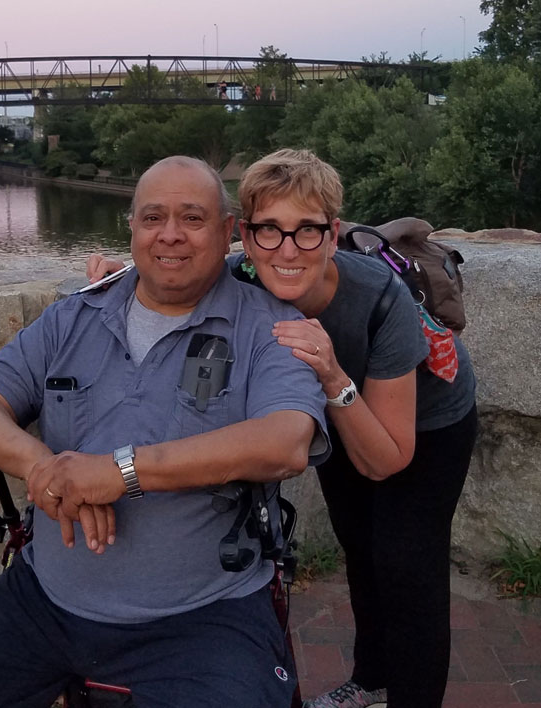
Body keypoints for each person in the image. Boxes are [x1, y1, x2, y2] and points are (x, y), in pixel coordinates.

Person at [0, 156, 330, 708]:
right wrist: (44, 468)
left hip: (201, 616)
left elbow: (285, 442)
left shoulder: (270, 326)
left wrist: (120, 472)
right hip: (45, 600)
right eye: (153, 217)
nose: (170, 235)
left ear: (228, 231)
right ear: (131, 227)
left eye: (192, 219)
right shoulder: (75, 316)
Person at [88, 149, 478, 708]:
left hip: (428, 420)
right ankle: (370, 679)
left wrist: (333, 374)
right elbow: (177, 270)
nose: (288, 250)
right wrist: (122, 277)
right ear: (243, 234)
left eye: (307, 231)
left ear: (332, 231)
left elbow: (386, 459)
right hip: (339, 406)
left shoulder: (378, 299)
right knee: (359, 545)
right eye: (269, 230)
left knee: (407, 565)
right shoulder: (243, 270)